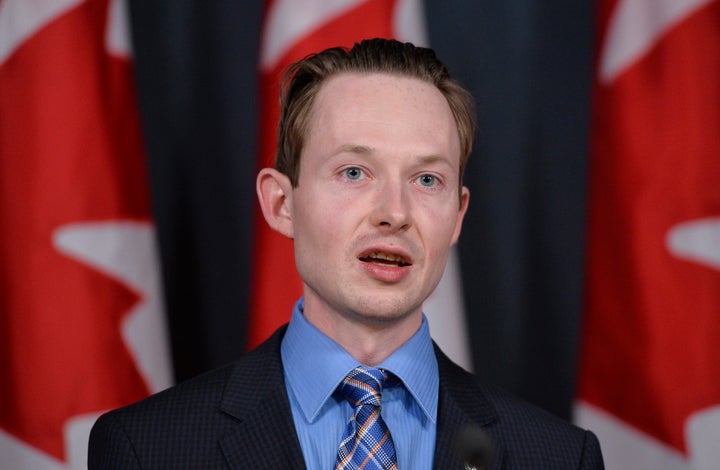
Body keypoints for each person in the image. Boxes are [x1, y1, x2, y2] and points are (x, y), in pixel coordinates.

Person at [88, 38, 604, 469]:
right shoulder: (147, 449)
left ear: (458, 215)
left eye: (427, 180)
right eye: (354, 172)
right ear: (281, 203)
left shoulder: (559, 457)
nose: (394, 212)